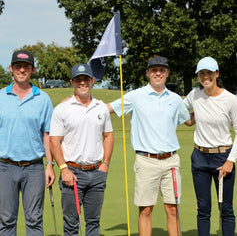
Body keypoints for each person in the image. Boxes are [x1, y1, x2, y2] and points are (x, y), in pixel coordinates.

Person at [107, 56, 192, 236]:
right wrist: (81, 100)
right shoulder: (136, 96)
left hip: (171, 162)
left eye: (162, 70)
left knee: (172, 209)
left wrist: (206, 103)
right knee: (145, 210)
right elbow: (108, 108)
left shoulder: (176, 99)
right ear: (147, 73)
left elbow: (189, 121)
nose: (158, 73)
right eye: (154, 70)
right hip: (146, 161)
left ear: (167, 73)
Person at [49, 63, 114, 236]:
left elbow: (108, 136)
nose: (82, 82)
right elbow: (54, 141)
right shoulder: (62, 109)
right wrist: (63, 169)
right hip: (72, 173)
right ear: (72, 82)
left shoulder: (101, 107)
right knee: (71, 224)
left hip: (97, 173)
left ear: (92, 80)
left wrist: (105, 163)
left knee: (93, 223)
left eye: (86, 79)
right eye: (78, 79)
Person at [0, 50, 56, 235]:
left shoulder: (43, 99)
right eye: (18, 66)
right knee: (6, 220)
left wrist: (49, 165)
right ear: (11, 68)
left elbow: (46, 134)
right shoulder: (1, 97)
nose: (21, 70)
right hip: (5, 168)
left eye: (26, 66)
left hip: (34, 168)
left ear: (32, 69)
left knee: (34, 220)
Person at [184, 57, 237, 236]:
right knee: (203, 209)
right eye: (201, 73)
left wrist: (231, 160)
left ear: (217, 74)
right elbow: (182, 114)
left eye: (209, 73)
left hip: (223, 158)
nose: (205, 77)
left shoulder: (230, 99)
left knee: (226, 209)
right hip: (199, 157)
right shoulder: (194, 95)